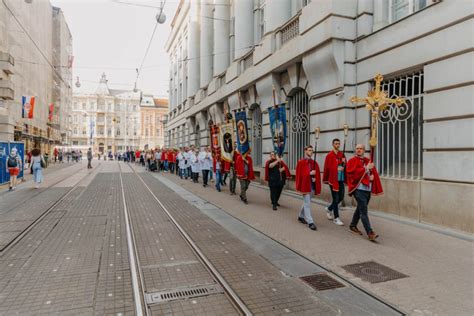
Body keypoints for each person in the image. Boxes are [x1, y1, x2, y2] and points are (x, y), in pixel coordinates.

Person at [346, 144, 383, 241]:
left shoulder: (368, 161)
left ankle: (352, 225)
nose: (358, 150)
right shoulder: (351, 161)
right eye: (357, 148)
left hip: (367, 189)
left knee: (360, 208)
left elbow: (372, 173)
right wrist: (366, 169)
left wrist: (372, 177)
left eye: (361, 148)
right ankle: (370, 233)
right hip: (358, 188)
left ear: (364, 150)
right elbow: (351, 174)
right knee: (364, 211)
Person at [295, 145, 321, 231]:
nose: (311, 152)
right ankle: (310, 222)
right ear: (305, 151)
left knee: (307, 202)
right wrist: (309, 174)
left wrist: (315, 177)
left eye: (312, 150)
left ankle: (300, 216)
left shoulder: (314, 162)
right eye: (309, 150)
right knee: (307, 204)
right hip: (305, 185)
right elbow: (299, 175)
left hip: (312, 186)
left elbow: (316, 173)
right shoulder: (301, 162)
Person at [323, 138, 346, 226]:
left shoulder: (342, 154)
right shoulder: (329, 155)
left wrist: (344, 165)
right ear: (333, 144)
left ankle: (329, 209)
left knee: (341, 197)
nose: (337, 145)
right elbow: (327, 168)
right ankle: (336, 218)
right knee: (336, 199)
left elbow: (345, 164)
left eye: (338, 144)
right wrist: (336, 168)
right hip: (333, 180)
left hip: (341, 179)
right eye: (336, 143)